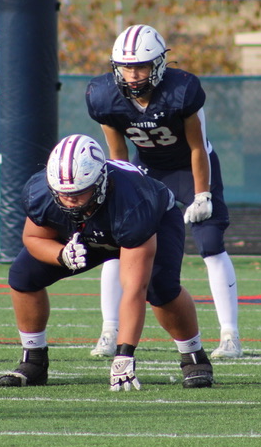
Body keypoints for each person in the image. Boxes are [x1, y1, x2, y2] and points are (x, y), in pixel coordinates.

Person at [0, 133, 214, 390]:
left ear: (100, 181)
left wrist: (124, 354)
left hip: (149, 221)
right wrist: (60, 254)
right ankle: (33, 360)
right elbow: (33, 237)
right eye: (62, 193)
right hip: (87, 231)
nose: (69, 200)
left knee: (160, 288)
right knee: (23, 276)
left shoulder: (133, 202)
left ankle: (193, 356)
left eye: (78, 193)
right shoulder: (41, 192)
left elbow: (134, 288)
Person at [85, 24, 241, 359]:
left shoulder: (180, 91)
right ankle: (109, 330)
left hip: (190, 166)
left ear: (158, 64)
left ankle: (230, 335)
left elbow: (197, 147)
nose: (133, 74)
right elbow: (118, 155)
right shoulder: (104, 97)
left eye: (141, 66)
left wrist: (202, 195)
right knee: (118, 244)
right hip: (146, 170)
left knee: (211, 244)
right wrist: (119, 193)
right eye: (126, 67)